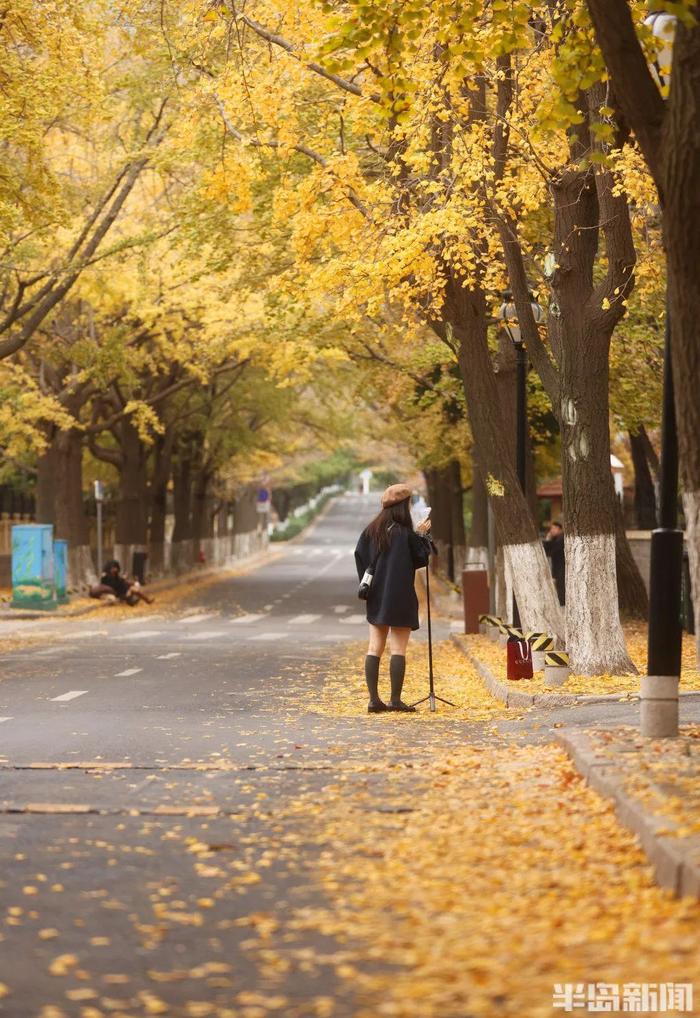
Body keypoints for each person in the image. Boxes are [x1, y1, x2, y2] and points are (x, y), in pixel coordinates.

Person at [354, 483, 433, 714]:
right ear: (403, 506)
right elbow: (421, 560)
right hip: (401, 596)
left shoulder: (371, 530)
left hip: (377, 595)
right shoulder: (405, 534)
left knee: (374, 647)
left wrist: (368, 582)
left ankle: (373, 700)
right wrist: (422, 536)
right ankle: (395, 700)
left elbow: (359, 555)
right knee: (398, 649)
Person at [90, 560, 154, 606]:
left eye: (116, 568)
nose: (115, 569)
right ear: (109, 568)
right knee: (133, 589)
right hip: (118, 594)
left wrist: (130, 582)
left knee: (134, 589)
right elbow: (111, 586)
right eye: (113, 568)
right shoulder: (106, 577)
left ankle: (146, 600)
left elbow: (123, 583)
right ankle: (146, 600)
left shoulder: (117, 576)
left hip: (124, 591)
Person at [544, 520, 565, 606]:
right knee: (559, 589)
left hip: (562, 568)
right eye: (551, 528)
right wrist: (548, 539)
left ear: (559, 529)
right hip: (558, 568)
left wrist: (548, 540)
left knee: (562, 590)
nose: (551, 531)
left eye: (554, 528)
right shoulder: (556, 539)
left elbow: (551, 551)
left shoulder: (561, 539)